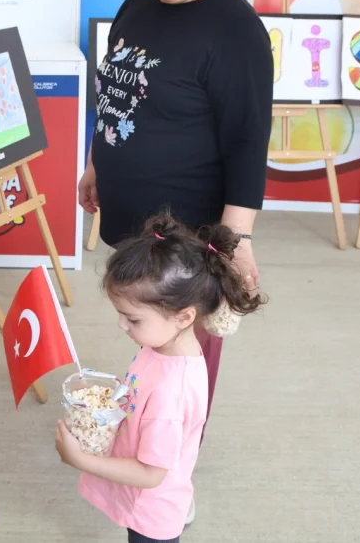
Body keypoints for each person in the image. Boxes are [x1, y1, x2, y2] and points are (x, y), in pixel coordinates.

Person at [79, 0, 272, 462]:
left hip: (191, 232)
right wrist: (96, 162)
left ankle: (169, 469)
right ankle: (148, 435)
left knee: (185, 357)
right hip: (135, 218)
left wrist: (237, 241)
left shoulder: (236, 31)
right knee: (149, 339)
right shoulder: (136, 5)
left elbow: (248, 142)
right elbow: (116, 95)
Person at [55, 213, 265, 542]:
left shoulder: (171, 393)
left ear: (184, 316)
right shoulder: (161, 347)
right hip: (142, 502)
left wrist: (79, 459)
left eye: (132, 319)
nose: (122, 325)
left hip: (150, 514)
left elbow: (151, 473)